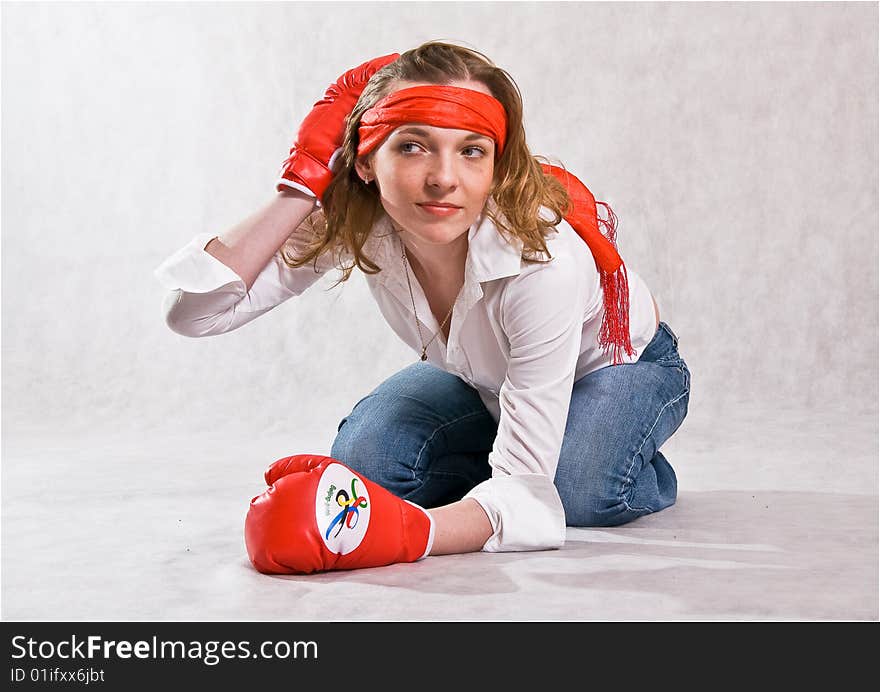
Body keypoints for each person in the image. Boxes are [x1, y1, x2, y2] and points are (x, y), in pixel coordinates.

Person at [154, 41, 691, 575]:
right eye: (412, 147)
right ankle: (515, 455)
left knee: (576, 491)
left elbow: (529, 500)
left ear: (497, 167)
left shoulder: (541, 262)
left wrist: (411, 532)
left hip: (620, 366)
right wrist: (301, 183)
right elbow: (197, 313)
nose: (443, 178)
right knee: (369, 462)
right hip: (487, 382)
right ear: (365, 161)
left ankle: (616, 458)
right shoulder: (364, 221)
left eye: (471, 150)